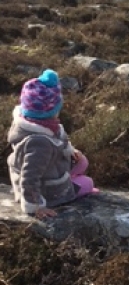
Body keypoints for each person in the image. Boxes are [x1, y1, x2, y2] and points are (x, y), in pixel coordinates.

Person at [7, 69, 98, 219]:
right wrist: (36, 206)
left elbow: (59, 139)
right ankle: (72, 185)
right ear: (51, 110)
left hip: (50, 166)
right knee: (88, 183)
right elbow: (29, 177)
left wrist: (69, 150)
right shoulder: (39, 143)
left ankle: (72, 177)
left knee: (82, 162)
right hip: (46, 190)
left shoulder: (39, 123)